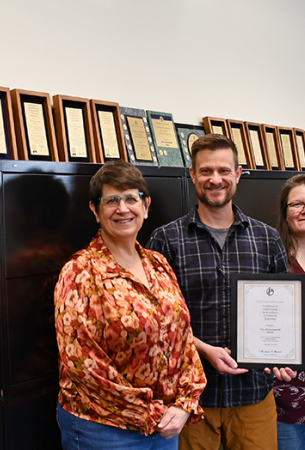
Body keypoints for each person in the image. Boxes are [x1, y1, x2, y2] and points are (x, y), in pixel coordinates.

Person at [146, 134, 296, 450]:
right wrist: (203, 349)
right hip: (193, 401)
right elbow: (156, 321)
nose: (215, 179)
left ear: (238, 174)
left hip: (254, 395)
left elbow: (284, 312)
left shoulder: (266, 239)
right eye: (206, 171)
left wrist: (283, 354)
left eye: (224, 171)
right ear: (192, 175)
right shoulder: (166, 240)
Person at [54, 160, 207, 450]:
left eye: (130, 199)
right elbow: (81, 363)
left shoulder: (158, 263)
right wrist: (149, 411)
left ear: (145, 206)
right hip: (104, 428)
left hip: (166, 423)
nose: (122, 209)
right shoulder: (80, 271)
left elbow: (183, 339)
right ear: (95, 210)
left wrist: (186, 402)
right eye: (111, 200)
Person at [273, 174, 305, 449]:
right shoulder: (273, 257)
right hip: (286, 395)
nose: (304, 210)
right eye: (297, 204)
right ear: (285, 212)